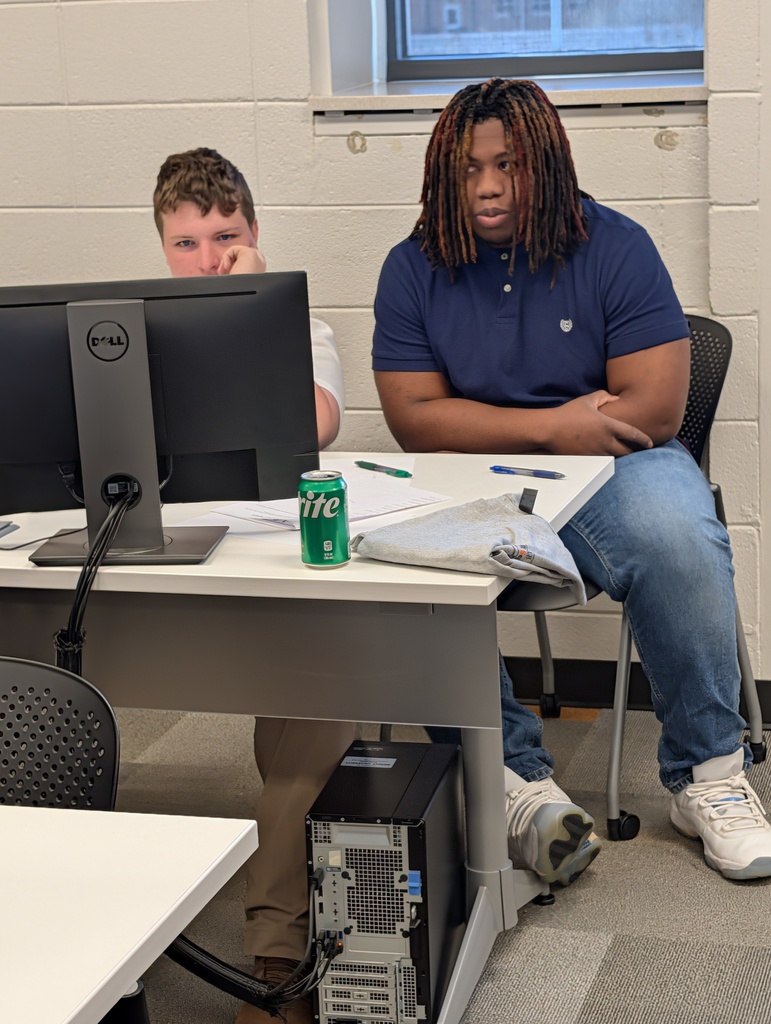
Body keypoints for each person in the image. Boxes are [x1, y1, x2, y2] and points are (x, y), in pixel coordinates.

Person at [372, 78, 771, 886]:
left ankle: (709, 779)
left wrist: (533, 428)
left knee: (676, 531)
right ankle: (515, 786)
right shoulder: (412, 265)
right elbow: (416, 419)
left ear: (546, 165)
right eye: (467, 169)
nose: (485, 187)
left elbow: (652, 409)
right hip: (473, 475)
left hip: (610, 472)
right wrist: (560, 422)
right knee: (396, 568)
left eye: (507, 166)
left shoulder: (614, 246)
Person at [154, 148, 357, 1024]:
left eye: (226, 237)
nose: (207, 259)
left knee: (299, 731)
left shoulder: (299, 325)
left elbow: (311, 424)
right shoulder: (128, 331)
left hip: (274, 558)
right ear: (162, 247)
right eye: (187, 242)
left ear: (254, 238)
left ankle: (275, 956)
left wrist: (254, 321)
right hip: (165, 557)